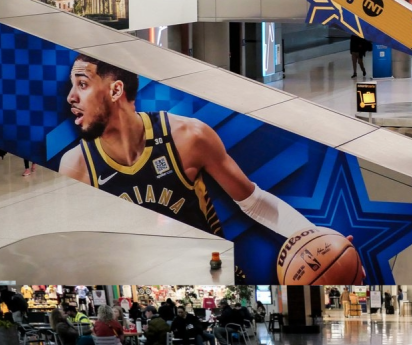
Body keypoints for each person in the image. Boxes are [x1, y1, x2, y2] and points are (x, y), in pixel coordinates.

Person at [57, 55, 361, 283]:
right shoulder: (77, 166)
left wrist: (322, 240)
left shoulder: (188, 137)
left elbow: (253, 202)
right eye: (73, 86)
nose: (71, 96)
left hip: (214, 276)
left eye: (82, 85)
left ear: (115, 90)